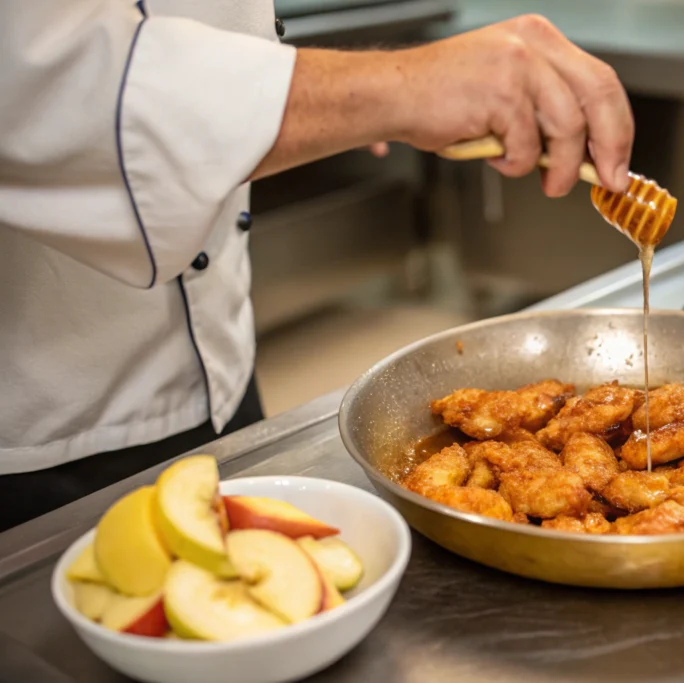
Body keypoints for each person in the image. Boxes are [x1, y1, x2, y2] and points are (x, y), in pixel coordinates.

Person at [0, 1, 635, 531]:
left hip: (220, 368)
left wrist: (352, 93)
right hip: (39, 430)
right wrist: (396, 89)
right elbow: (39, 84)